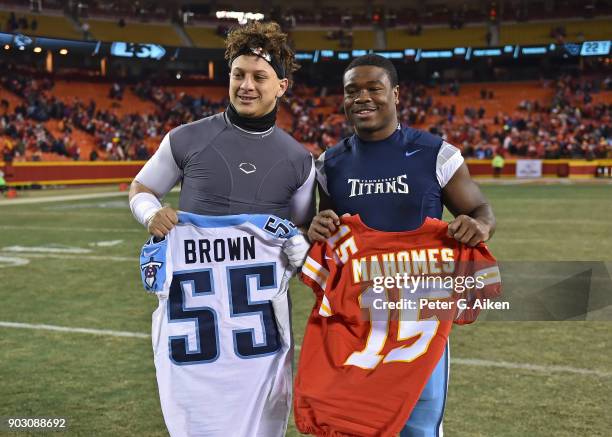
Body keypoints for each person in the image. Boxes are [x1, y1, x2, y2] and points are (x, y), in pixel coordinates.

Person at [128, 21, 314, 436]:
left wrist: (301, 248)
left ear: (282, 85)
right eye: (238, 75)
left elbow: (298, 231)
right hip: (193, 334)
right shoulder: (186, 139)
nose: (246, 85)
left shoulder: (299, 160)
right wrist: (150, 213)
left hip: (261, 337)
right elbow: (142, 188)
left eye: (259, 77)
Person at [307, 54, 496, 437]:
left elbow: (479, 208)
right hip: (358, 317)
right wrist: (318, 225)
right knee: (357, 423)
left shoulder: (436, 153)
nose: (362, 97)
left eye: (373, 88)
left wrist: (479, 225)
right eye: (352, 91)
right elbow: (331, 235)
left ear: (395, 94)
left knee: (419, 428)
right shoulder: (330, 163)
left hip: (419, 318)